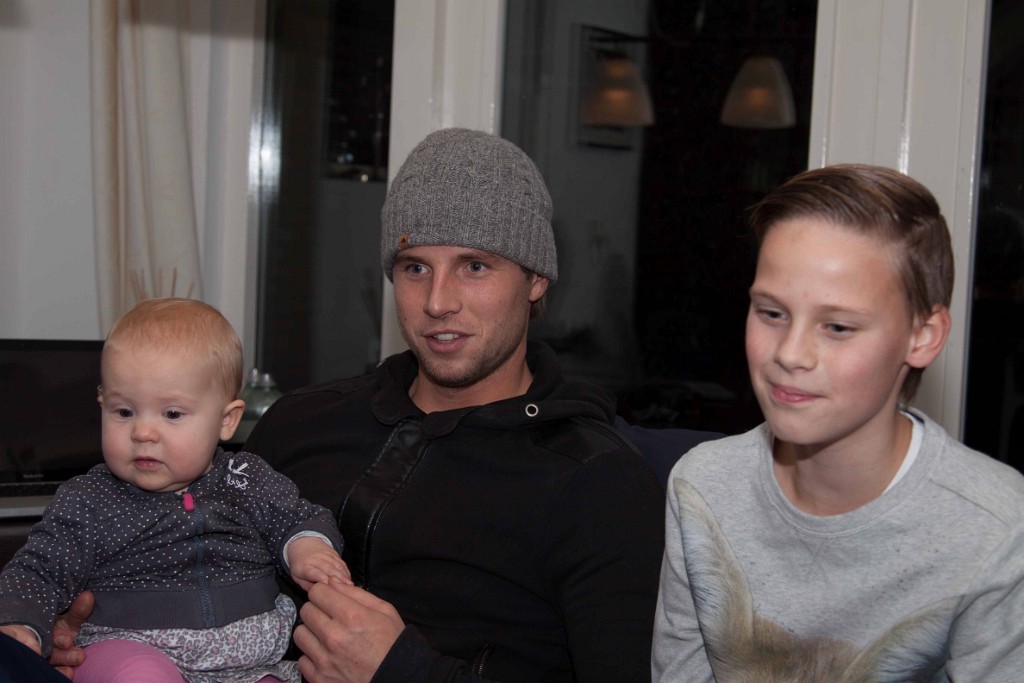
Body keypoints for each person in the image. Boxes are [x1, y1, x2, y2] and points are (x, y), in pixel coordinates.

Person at [652, 164, 1024, 681]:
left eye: (838, 326)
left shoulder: (998, 529)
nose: (790, 353)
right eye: (772, 313)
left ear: (923, 335)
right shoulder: (703, 486)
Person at [0, 298, 350, 683]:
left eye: (171, 414)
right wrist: (19, 624)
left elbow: (298, 517)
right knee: (141, 676)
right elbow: (39, 569)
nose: (142, 432)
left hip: (249, 664)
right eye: (124, 412)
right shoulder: (90, 499)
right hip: (130, 647)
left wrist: (308, 549)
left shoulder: (246, 479)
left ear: (227, 420)